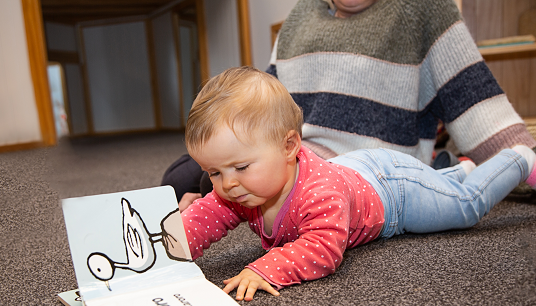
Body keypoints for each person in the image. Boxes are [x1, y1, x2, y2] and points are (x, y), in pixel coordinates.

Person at [181, 66, 536, 302]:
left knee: (464, 206)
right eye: (214, 172)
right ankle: (459, 170)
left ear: (289, 147)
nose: (226, 184)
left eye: (240, 166)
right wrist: (166, 252)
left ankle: (518, 159)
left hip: (394, 191)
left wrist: (265, 268)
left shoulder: (318, 193)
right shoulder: (239, 188)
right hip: (355, 172)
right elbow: (201, 218)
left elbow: (324, 249)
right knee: (443, 188)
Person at [163, 0, 536, 210]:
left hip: (368, 172)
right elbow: (263, 104)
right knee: (184, 174)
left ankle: (448, 170)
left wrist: (523, 160)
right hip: (294, 151)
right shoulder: (300, 18)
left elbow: (481, 107)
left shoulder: (425, 10)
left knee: (211, 183)